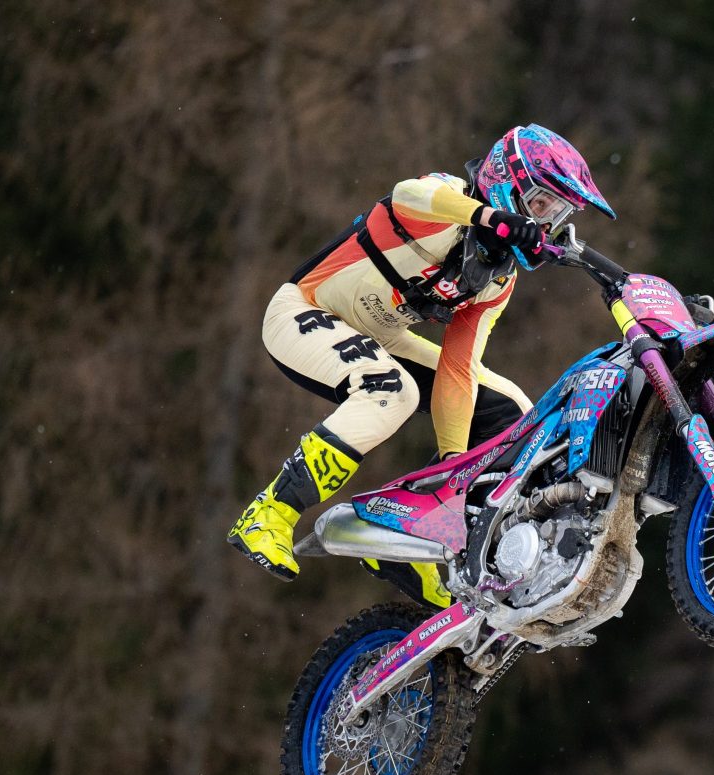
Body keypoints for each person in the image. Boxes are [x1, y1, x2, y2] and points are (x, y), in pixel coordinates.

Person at [227, 124, 617, 607]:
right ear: (506, 181)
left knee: (511, 410)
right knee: (393, 391)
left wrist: (453, 469)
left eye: (558, 214)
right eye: (541, 206)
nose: (546, 223)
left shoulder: (496, 280)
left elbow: (458, 370)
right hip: (302, 311)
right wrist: (489, 215)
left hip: (379, 337)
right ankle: (272, 512)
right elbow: (408, 195)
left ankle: (416, 539)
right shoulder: (448, 198)